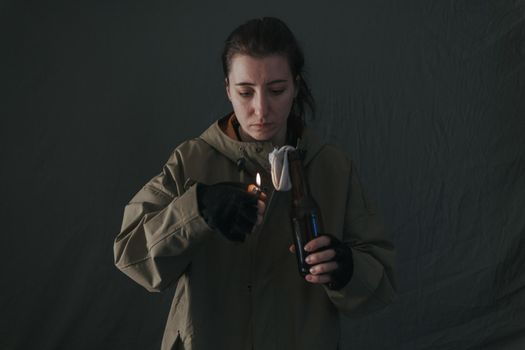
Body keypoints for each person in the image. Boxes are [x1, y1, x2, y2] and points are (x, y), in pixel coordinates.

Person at [114, 17, 396, 350]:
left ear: (295, 86)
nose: (261, 109)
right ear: (227, 89)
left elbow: (381, 280)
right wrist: (197, 207)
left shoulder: (333, 168)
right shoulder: (190, 161)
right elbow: (132, 255)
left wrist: (345, 268)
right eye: (245, 92)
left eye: (276, 90)